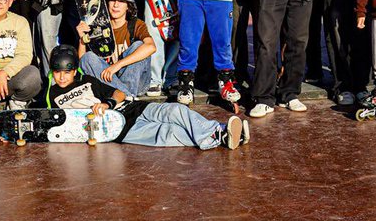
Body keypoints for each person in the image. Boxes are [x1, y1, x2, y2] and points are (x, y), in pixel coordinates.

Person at [41, 45, 249, 150]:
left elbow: (119, 93)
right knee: (167, 134)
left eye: (66, 72)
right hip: (119, 129)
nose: (62, 77)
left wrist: (108, 103)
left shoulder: (86, 80)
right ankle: (220, 135)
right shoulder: (51, 96)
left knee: (176, 110)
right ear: (52, 71)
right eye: (58, 72)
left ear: (73, 71)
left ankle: (220, 131)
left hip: (132, 109)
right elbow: (38, 120)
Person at [75, 0, 155, 98]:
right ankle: (127, 96)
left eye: (121, 1)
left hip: (137, 84)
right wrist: (82, 39)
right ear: (106, 4)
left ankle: (125, 95)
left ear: (128, 6)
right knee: (88, 57)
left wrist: (117, 65)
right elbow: (83, 61)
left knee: (139, 45)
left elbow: (151, 47)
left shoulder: (136, 24)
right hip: (110, 83)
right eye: (112, 0)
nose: (116, 5)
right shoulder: (98, 27)